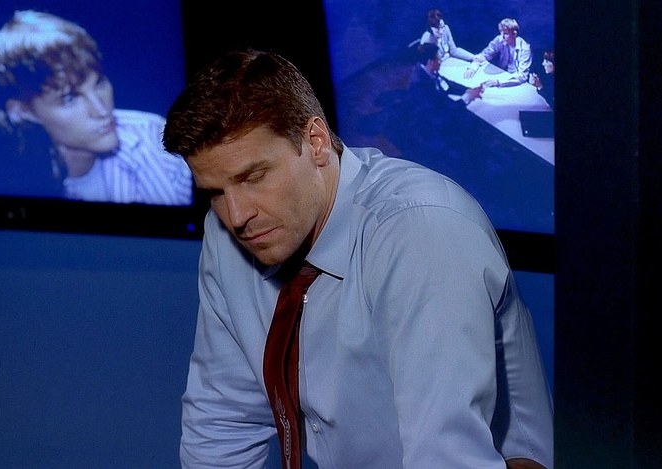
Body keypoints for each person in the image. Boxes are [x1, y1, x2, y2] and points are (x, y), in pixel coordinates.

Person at [163, 49, 553, 468]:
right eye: (215, 192)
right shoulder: (231, 232)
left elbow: (446, 458)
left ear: (315, 142)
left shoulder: (421, 230)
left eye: (253, 177)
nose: (237, 215)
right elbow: (224, 424)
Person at [0, 10, 193, 205]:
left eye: (99, 83)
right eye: (70, 98)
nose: (102, 110)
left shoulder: (155, 138)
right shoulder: (1, 170)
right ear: (22, 111)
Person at [464, 18, 532, 88]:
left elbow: (522, 77)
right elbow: (484, 55)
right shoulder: (499, 40)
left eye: (505, 33)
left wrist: (498, 83)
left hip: (516, 82)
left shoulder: (525, 49)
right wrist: (472, 68)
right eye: (501, 33)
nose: (502, 37)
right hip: (501, 75)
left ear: (514, 34)